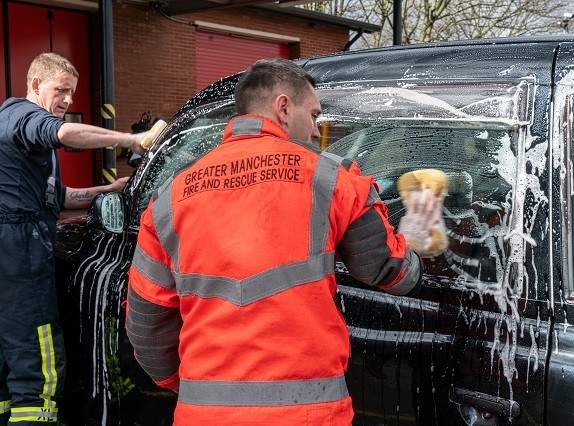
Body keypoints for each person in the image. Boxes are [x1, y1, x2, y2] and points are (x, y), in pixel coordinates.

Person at [126, 57, 440, 425]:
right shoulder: (332, 177)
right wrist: (416, 240)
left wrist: (196, 385)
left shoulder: (168, 197)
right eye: (314, 115)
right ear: (284, 108)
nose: (315, 132)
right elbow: (389, 270)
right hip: (308, 415)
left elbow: (145, 324)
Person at [0, 52, 148, 426]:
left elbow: (59, 197)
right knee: (38, 348)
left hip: (18, 238)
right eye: (61, 90)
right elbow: (65, 133)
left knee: (9, 349)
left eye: (72, 93)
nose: (68, 100)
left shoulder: (19, 129)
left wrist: (108, 189)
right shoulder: (24, 116)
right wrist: (133, 139)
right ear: (35, 85)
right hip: (20, 245)